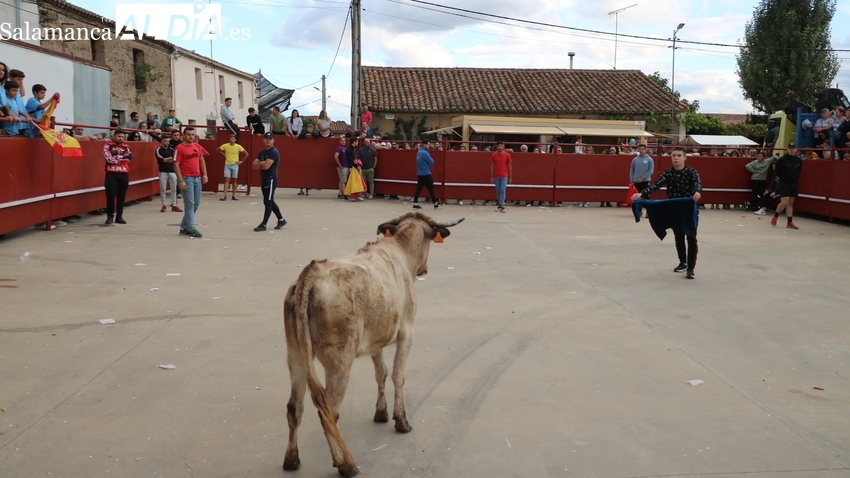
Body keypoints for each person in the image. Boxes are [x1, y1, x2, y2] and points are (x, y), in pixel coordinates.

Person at [632, 146, 702, 279]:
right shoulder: (669, 173)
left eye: (679, 156)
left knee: (691, 238)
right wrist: (642, 193)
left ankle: (691, 268)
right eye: (673, 155)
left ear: (684, 158)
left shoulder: (692, 172)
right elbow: (656, 184)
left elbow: (697, 184)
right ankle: (683, 262)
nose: (675, 158)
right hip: (674, 209)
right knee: (679, 236)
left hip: (688, 209)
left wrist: (698, 192)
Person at [173, 127, 209, 238]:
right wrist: (180, 180)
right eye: (188, 134)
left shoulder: (197, 146)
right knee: (190, 204)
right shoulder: (179, 148)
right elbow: (175, 164)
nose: (191, 136)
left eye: (193, 134)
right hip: (186, 178)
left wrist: (205, 174)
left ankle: (184, 227)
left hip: (197, 178)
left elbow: (201, 159)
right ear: (183, 135)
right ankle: (192, 228)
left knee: (196, 204)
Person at [252, 132, 287, 231]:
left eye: (270, 138)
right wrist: (261, 163)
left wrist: (260, 163)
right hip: (264, 178)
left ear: (273, 140)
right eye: (266, 138)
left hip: (271, 179)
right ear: (263, 140)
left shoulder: (273, 152)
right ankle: (281, 219)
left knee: (268, 201)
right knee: (269, 200)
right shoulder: (262, 152)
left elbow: (266, 166)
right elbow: (253, 165)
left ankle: (263, 224)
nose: (268, 140)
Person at [103, 130, 134, 225]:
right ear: (114, 136)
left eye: (122, 136)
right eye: (119, 136)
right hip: (111, 173)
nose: (121, 138)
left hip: (124, 173)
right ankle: (110, 216)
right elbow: (108, 158)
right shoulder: (107, 146)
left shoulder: (126, 146)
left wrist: (116, 157)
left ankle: (119, 216)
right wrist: (121, 158)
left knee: (122, 195)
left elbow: (129, 157)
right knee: (110, 194)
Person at [771, 143, 803, 229]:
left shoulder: (799, 160)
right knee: (784, 202)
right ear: (787, 149)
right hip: (784, 182)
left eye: (793, 148)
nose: (792, 150)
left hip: (794, 182)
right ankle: (775, 216)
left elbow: (799, 171)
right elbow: (777, 172)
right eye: (790, 148)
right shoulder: (782, 160)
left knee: (790, 203)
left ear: (796, 149)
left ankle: (789, 222)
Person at [412, 138, 442, 210]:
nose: (429, 146)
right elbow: (432, 162)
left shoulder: (419, 152)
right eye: (428, 144)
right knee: (431, 188)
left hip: (420, 173)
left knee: (419, 188)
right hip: (426, 173)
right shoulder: (425, 153)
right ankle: (435, 203)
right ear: (424, 144)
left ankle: (415, 203)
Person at [156, 135, 181, 213]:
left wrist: (164, 159)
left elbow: (174, 160)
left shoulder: (172, 150)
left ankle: (174, 205)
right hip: (163, 171)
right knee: (163, 189)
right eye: (165, 141)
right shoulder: (158, 149)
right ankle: (164, 205)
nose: (167, 143)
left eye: (168, 141)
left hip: (172, 171)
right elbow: (159, 161)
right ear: (162, 142)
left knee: (174, 189)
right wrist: (168, 159)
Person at [217, 133, 247, 200]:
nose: (231, 140)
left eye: (232, 138)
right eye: (230, 138)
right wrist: (224, 155)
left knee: (234, 180)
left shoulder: (238, 146)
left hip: (235, 165)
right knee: (227, 179)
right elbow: (217, 150)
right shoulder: (225, 145)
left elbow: (246, 154)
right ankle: (224, 194)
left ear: (235, 140)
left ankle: (234, 194)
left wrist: (241, 161)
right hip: (227, 164)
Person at [630, 144, 654, 213]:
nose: (641, 150)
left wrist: (642, 178)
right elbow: (632, 170)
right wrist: (632, 180)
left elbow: (650, 171)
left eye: (642, 149)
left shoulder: (649, 159)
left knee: (646, 196)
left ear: (645, 150)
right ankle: (639, 211)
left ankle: (648, 211)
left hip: (645, 181)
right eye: (640, 149)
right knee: (638, 197)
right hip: (636, 181)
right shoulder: (635, 160)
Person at [490, 141, 512, 213]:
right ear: (496, 147)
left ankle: (501, 204)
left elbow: (509, 166)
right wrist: (492, 177)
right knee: (498, 190)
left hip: (504, 175)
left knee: (502, 190)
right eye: (498, 146)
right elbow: (492, 166)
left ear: (503, 146)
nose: (499, 147)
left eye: (501, 146)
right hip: (496, 175)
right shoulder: (494, 155)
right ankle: (500, 204)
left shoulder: (507, 155)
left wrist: (510, 177)